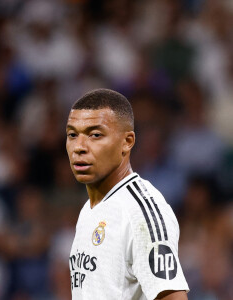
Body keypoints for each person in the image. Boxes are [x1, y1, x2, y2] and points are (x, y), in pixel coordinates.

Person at [66, 88, 189, 300]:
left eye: (95, 135)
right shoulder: (90, 209)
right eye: (72, 135)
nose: (79, 147)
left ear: (127, 141)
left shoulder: (140, 212)